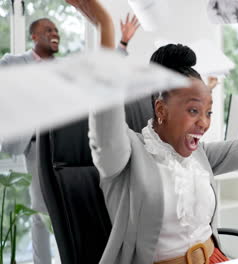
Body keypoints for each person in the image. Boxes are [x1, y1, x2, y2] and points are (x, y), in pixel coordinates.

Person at [65, 0, 238, 263]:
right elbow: (105, 118)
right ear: (161, 109)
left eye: (208, 112)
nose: (204, 123)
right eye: (194, 111)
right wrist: (105, 30)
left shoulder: (200, 154)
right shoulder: (126, 154)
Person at [0, 13, 139, 264]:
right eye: (48, 30)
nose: (55, 34)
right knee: (39, 212)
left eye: (56, 31)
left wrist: (123, 44)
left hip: (65, 142)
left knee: (72, 206)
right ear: (33, 36)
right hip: (34, 143)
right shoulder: (14, 62)